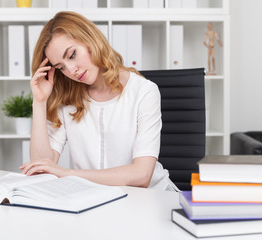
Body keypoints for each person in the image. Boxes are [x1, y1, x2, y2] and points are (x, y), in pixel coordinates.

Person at [19, 11, 178, 191]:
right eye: (61, 67)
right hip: (94, 199)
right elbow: (42, 167)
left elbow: (141, 176)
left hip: (150, 198)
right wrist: (39, 102)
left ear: (90, 39)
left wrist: (66, 173)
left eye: (72, 55)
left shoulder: (144, 91)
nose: (72, 70)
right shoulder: (68, 98)